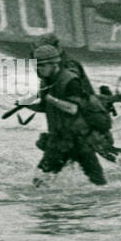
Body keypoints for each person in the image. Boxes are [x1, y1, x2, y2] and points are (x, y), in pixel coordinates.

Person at [31, 44, 106, 186]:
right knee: (39, 182)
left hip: (79, 140)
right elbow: (46, 108)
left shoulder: (71, 81)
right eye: (37, 66)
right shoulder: (46, 82)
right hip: (59, 141)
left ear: (54, 64)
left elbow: (73, 108)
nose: (38, 69)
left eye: (42, 66)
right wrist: (26, 104)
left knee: (99, 183)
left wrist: (49, 98)